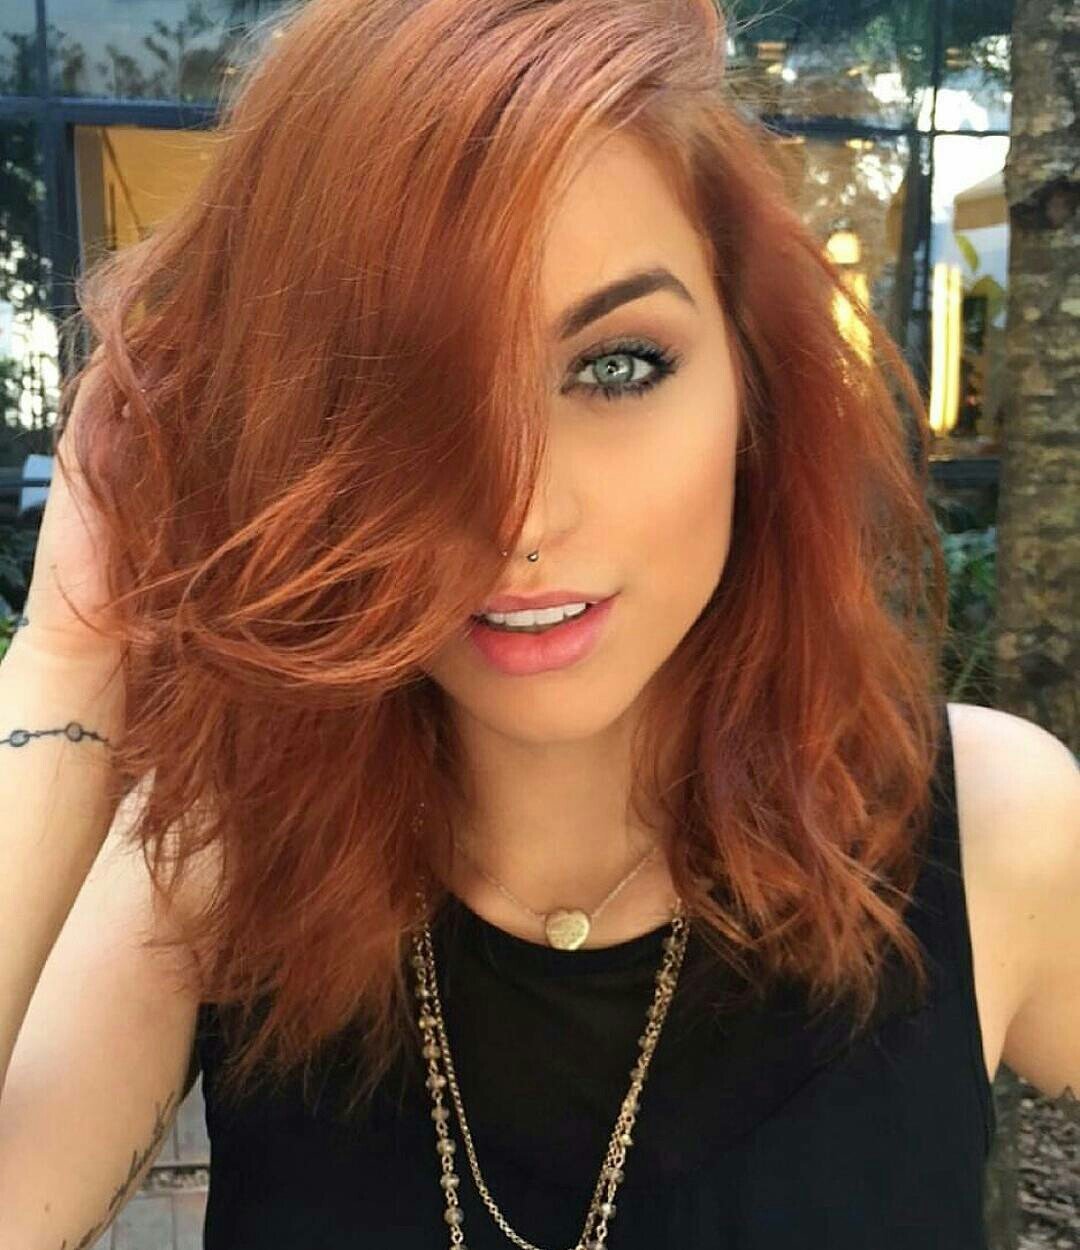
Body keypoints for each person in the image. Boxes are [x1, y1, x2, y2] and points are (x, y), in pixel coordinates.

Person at [1, 1, 1077, 1247]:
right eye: (406, 396)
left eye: (615, 366)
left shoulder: (987, 832)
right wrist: (69, 655)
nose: (519, 512)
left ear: (754, 380)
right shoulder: (221, 864)